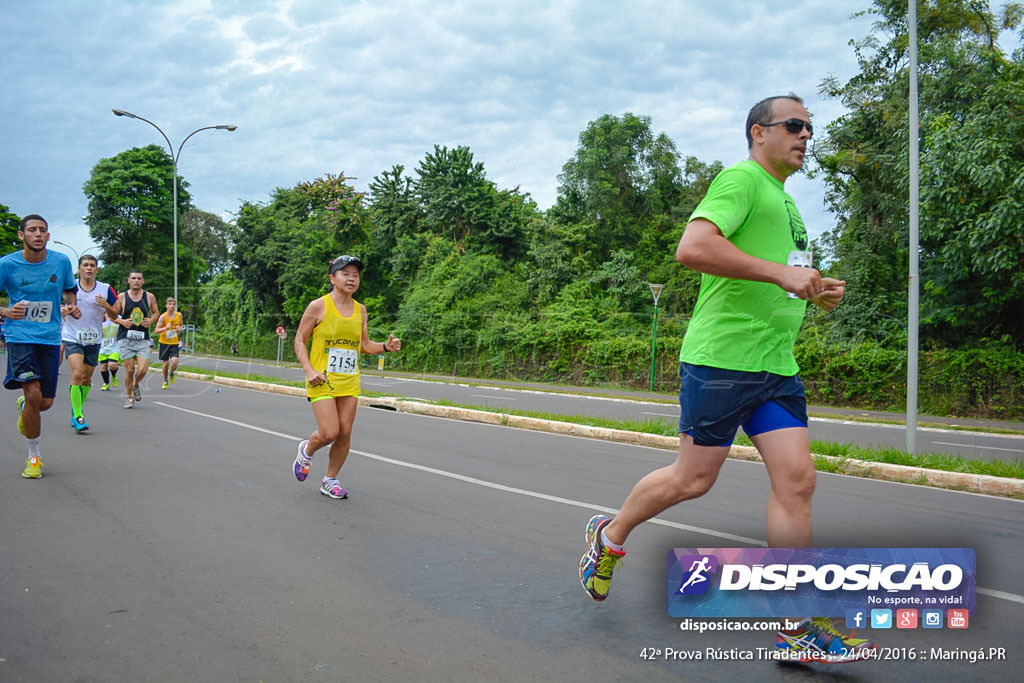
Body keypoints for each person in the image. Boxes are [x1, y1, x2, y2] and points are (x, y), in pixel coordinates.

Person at [578, 95, 873, 664]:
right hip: (722, 361)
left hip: (775, 365)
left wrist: (812, 287)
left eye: (810, 127)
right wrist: (783, 272)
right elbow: (694, 247)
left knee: (798, 481)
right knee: (692, 480)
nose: (806, 135)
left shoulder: (788, 204)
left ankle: (796, 627)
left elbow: (776, 273)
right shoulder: (741, 180)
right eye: (794, 125)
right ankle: (609, 536)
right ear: (758, 132)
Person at [292, 255, 401, 499]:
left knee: (345, 432)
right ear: (332, 278)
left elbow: (363, 345)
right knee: (329, 431)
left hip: (349, 380)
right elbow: (299, 339)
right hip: (321, 379)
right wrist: (309, 370)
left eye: (356, 275)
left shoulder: (360, 310)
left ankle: (329, 480)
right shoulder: (318, 306)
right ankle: (307, 450)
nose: (352, 278)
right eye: (346, 274)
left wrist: (385, 346)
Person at [0, 215, 79, 478]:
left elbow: (69, 290)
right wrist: (7, 312)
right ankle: (34, 456)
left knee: (43, 402)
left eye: (42, 230)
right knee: (34, 393)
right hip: (19, 336)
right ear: (21, 235)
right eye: (32, 230)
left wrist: (72, 305)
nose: (37, 234)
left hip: (49, 337)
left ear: (47, 235)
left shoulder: (61, 261)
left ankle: (25, 407)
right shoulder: (7, 264)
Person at [60, 254, 119, 432]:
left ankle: (75, 408)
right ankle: (79, 415)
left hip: (94, 339)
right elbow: (56, 306)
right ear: (79, 269)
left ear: (97, 269)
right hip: (72, 336)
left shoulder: (106, 289)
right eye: (85, 265)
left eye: (92, 265)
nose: (88, 268)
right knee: (77, 372)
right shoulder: (69, 287)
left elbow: (116, 315)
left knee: (86, 378)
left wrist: (106, 305)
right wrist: (64, 310)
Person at [112, 271, 159, 409]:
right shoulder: (122, 297)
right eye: (133, 278)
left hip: (142, 338)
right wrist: (121, 322)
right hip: (125, 338)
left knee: (143, 369)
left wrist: (150, 321)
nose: (136, 281)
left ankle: (135, 384)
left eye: (139, 278)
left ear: (143, 281)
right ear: (129, 280)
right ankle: (129, 398)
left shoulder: (149, 296)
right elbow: (111, 315)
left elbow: (156, 312)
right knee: (130, 369)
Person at [154, 296, 183, 390]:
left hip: (174, 342)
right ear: (166, 306)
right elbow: (156, 330)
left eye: (173, 304)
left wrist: (180, 329)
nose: (172, 306)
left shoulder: (179, 315)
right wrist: (165, 328)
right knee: (165, 364)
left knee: (175, 362)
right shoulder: (163, 317)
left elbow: (181, 326)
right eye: (170, 304)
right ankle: (165, 381)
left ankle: (171, 373)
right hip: (164, 342)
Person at [98, 318, 120, 390]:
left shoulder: (119, 318)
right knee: (104, 367)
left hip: (114, 347)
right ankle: (106, 383)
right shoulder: (100, 319)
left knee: (112, 365)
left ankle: (113, 375)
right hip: (102, 348)